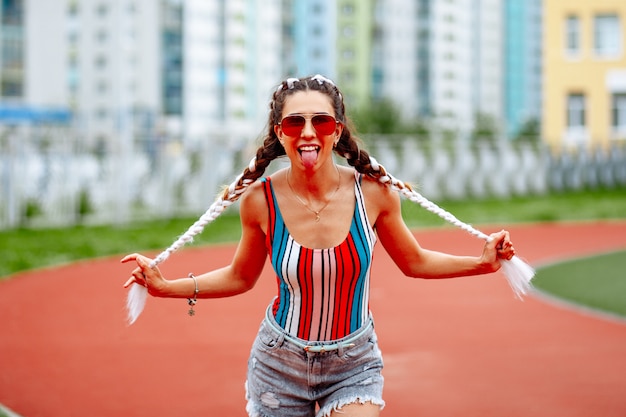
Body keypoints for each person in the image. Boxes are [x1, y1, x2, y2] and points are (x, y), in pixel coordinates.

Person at [122, 74, 518, 417]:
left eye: (321, 121)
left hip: (353, 362)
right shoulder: (260, 200)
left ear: (338, 130)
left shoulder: (375, 194)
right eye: (295, 122)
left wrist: (482, 263)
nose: (308, 132)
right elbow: (240, 276)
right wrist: (165, 287)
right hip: (279, 362)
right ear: (280, 133)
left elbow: (414, 261)